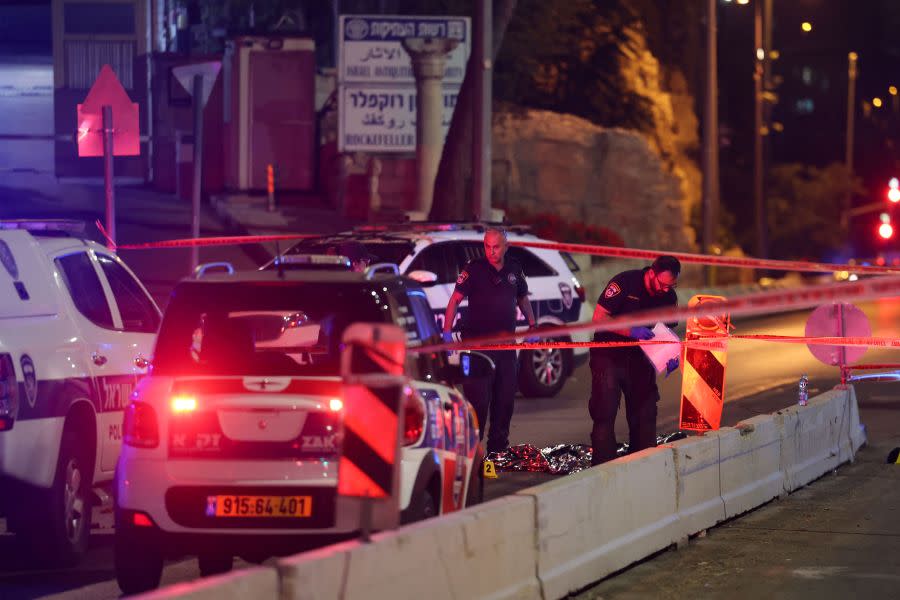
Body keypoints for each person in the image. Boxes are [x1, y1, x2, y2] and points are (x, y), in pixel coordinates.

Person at [442, 228, 538, 454]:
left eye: (496, 247)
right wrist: (447, 334)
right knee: (478, 403)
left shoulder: (514, 268)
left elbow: (522, 298)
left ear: (506, 246)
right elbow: (455, 301)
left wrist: (533, 325)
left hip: (506, 348)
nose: (491, 251)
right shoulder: (473, 269)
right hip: (477, 349)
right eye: (487, 246)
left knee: (504, 403)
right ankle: (471, 452)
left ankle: (497, 453)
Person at [588, 255, 681, 466]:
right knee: (605, 411)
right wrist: (630, 330)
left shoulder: (668, 296)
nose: (665, 290)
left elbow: (666, 330)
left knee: (645, 415)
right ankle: (603, 469)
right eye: (662, 284)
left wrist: (672, 353)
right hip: (609, 354)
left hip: (641, 358)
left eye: (671, 285)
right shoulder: (625, 283)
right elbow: (599, 318)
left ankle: (643, 467)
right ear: (651, 273)